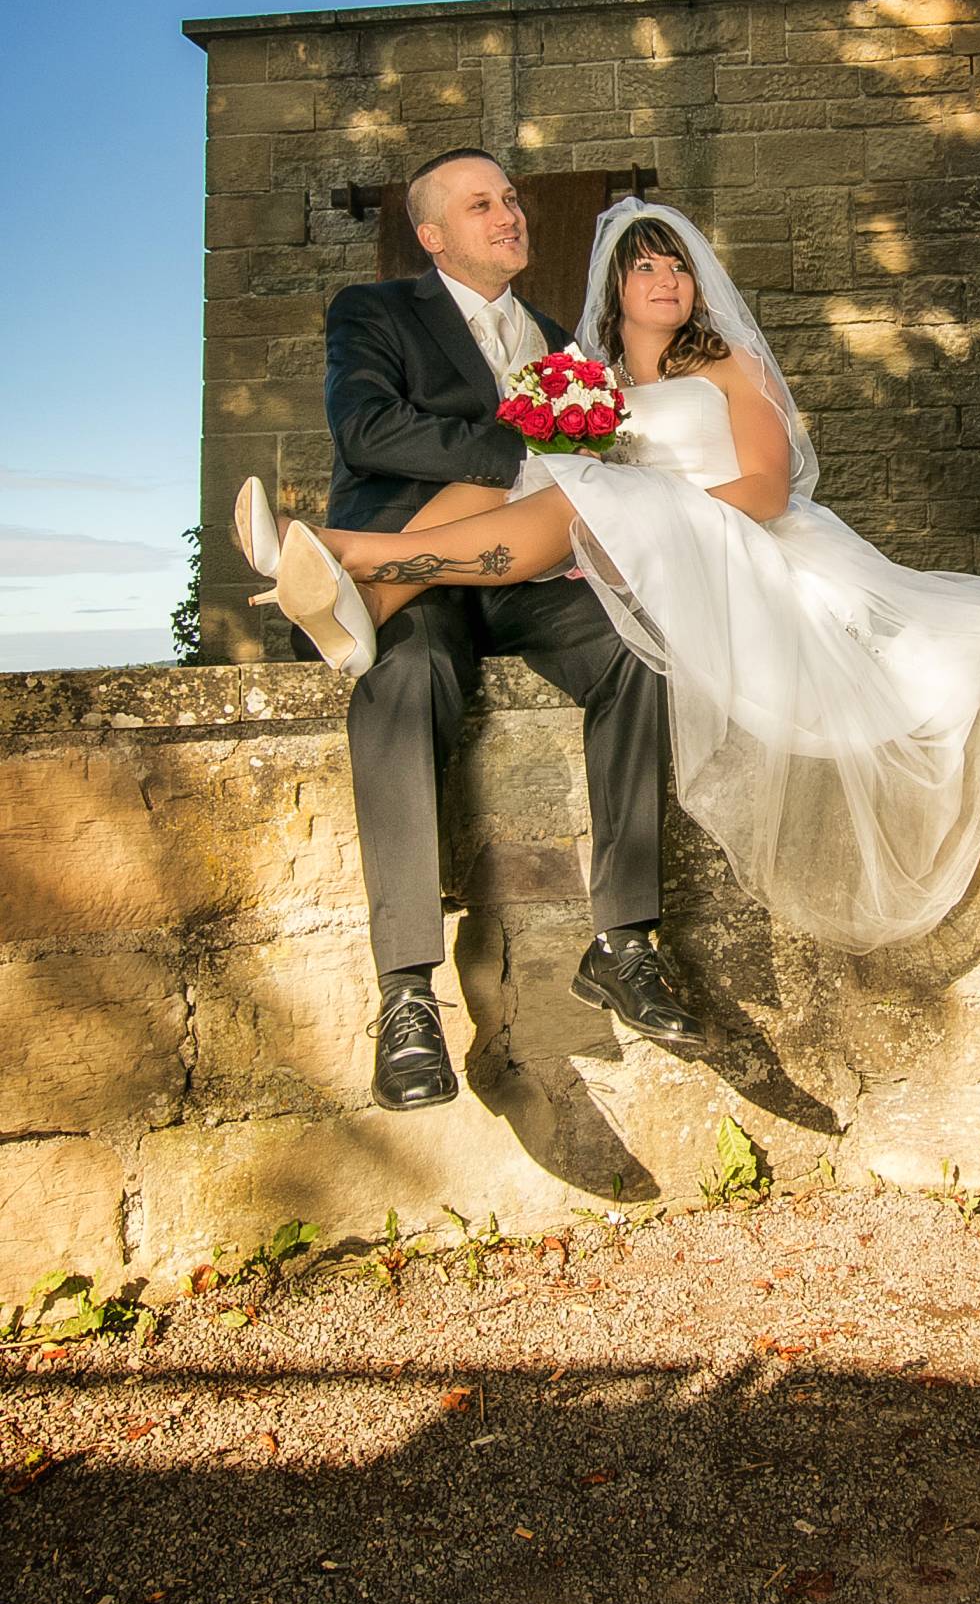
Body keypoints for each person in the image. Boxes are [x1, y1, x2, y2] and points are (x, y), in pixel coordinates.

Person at [242, 196, 980, 960]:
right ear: (614, 283)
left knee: (579, 486)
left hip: (740, 539)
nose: (667, 279)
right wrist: (611, 515)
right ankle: (367, 586)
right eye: (646, 265)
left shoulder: (731, 366)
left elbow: (766, 488)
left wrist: (649, 512)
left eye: (678, 266)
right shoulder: (591, 387)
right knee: (525, 466)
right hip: (631, 548)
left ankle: (343, 555)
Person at [236, 151, 705, 1118]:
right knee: (404, 679)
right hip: (428, 573)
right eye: (481, 204)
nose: (509, 215)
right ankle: (407, 993)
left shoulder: (561, 341)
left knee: (634, 649)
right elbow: (366, 430)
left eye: (514, 200)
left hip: (528, 575)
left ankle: (622, 939)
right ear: (433, 234)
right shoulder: (374, 312)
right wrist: (515, 446)